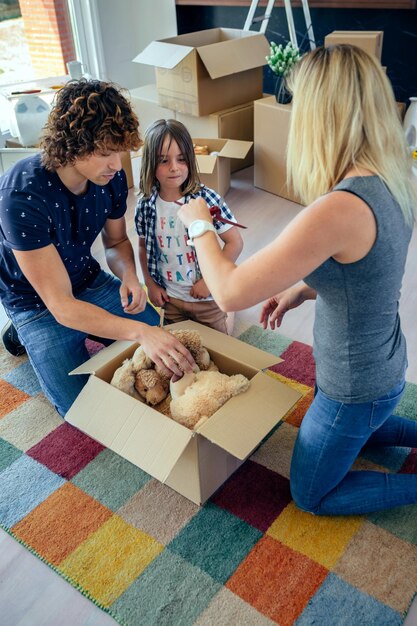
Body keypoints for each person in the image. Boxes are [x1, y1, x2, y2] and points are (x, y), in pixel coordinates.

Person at [177, 44, 417, 516]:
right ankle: (374, 421)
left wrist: (199, 223)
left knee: (310, 495)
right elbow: (368, 269)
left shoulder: (339, 208)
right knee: (369, 421)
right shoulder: (395, 176)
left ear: (321, 115)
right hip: (385, 366)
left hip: (356, 386)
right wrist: (303, 286)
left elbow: (228, 291)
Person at [0, 79, 195, 417]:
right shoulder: (21, 195)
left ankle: (81, 329)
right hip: (36, 301)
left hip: (85, 279)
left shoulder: (110, 177)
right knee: (84, 410)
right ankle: (22, 332)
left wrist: (130, 276)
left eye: (119, 151)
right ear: (70, 145)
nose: (117, 165)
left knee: (162, 352)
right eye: (105, 153)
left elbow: (116, 242)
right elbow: (61, 307)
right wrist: (139, 331)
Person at [135, 119, 243, 333]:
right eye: (164, 161)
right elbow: (142, 247)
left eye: (181, 159)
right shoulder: (145, 205)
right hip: (171, 300)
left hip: (207, 299)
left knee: (220, 346)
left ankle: (230, 310)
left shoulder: (207, 199)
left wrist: (209, 282)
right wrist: (150, 283)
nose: (174, 168)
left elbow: (235, 242)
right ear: (150, 164)